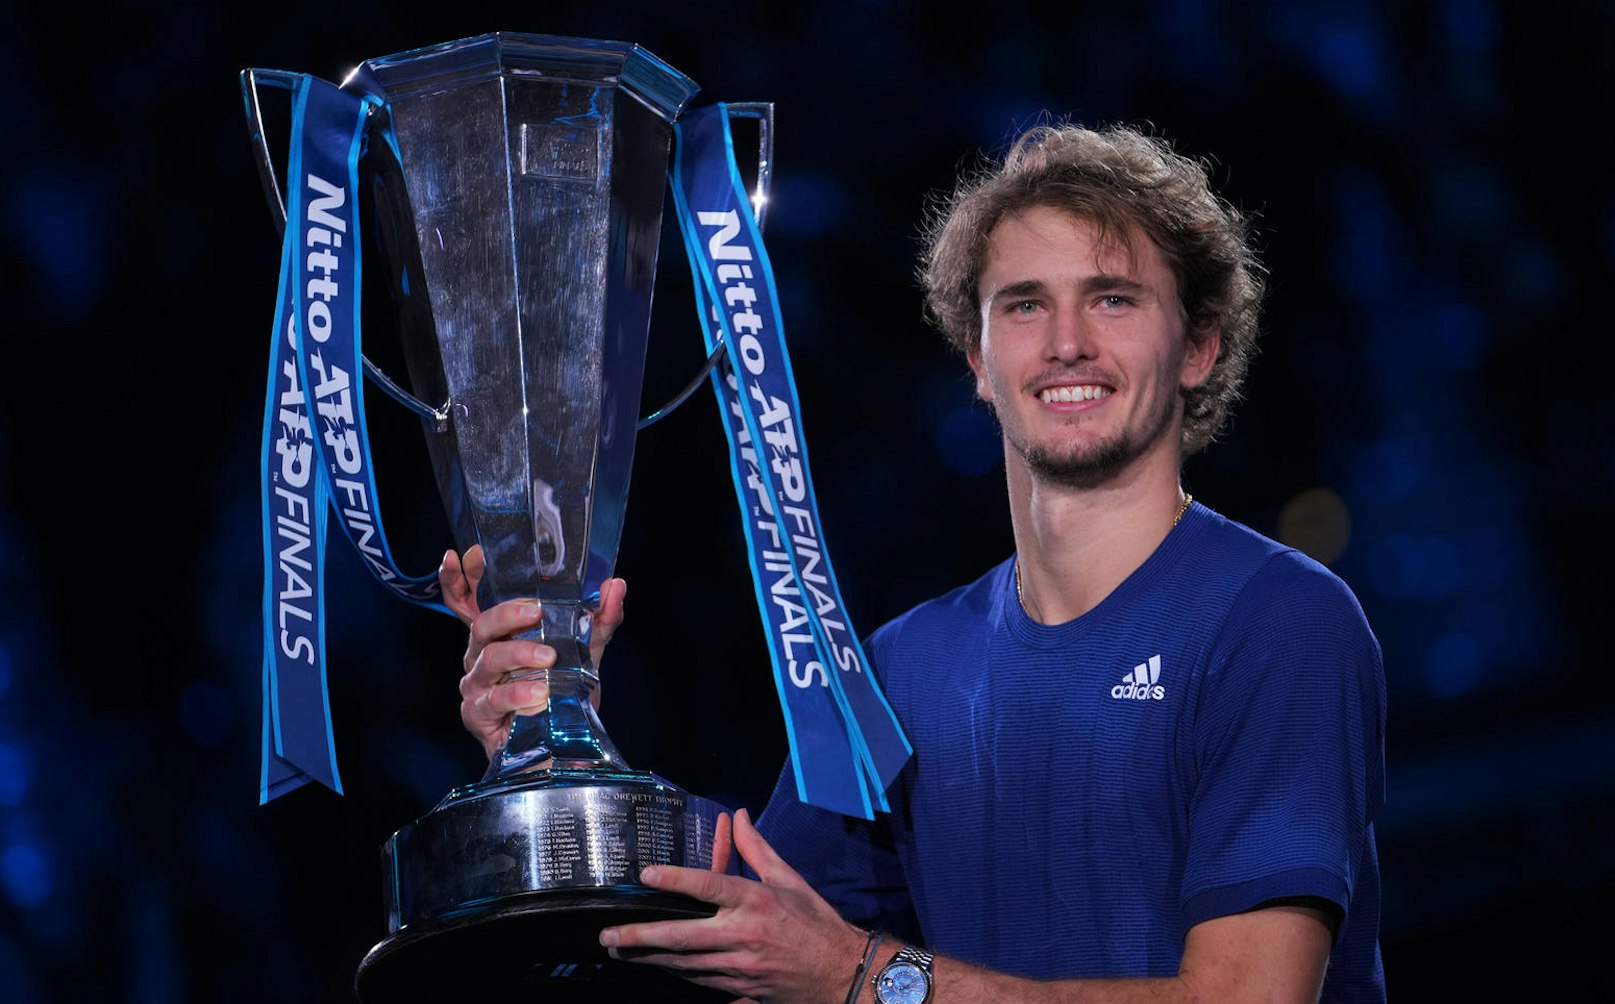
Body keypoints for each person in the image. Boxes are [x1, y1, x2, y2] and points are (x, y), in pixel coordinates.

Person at [444, 122, 1386, 1004]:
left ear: (1200, 348)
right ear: (976, 358)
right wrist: (551, 748)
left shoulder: (1279, 620)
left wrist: (869, 982)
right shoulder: (902, 668)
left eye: (1113, 298)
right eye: (1024, 304)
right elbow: (730, 934)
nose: (1066, 342)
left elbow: (1248, 996)